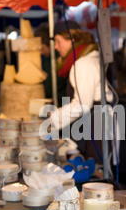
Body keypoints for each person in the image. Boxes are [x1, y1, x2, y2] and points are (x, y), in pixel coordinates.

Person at [46, 20, 113, 160]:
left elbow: (82, 105)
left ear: (72, 39)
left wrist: (52, 118)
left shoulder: (84, 64)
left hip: (97, 130)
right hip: (96, 126)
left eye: (58, 41)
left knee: (96, 173)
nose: (56, 47)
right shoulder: (88, 58)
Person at [34, 23, 67, 105]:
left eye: (42, 48)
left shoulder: (60, 58)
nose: (40, 52)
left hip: (63, 104)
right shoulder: (47, 60)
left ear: (50, 45)